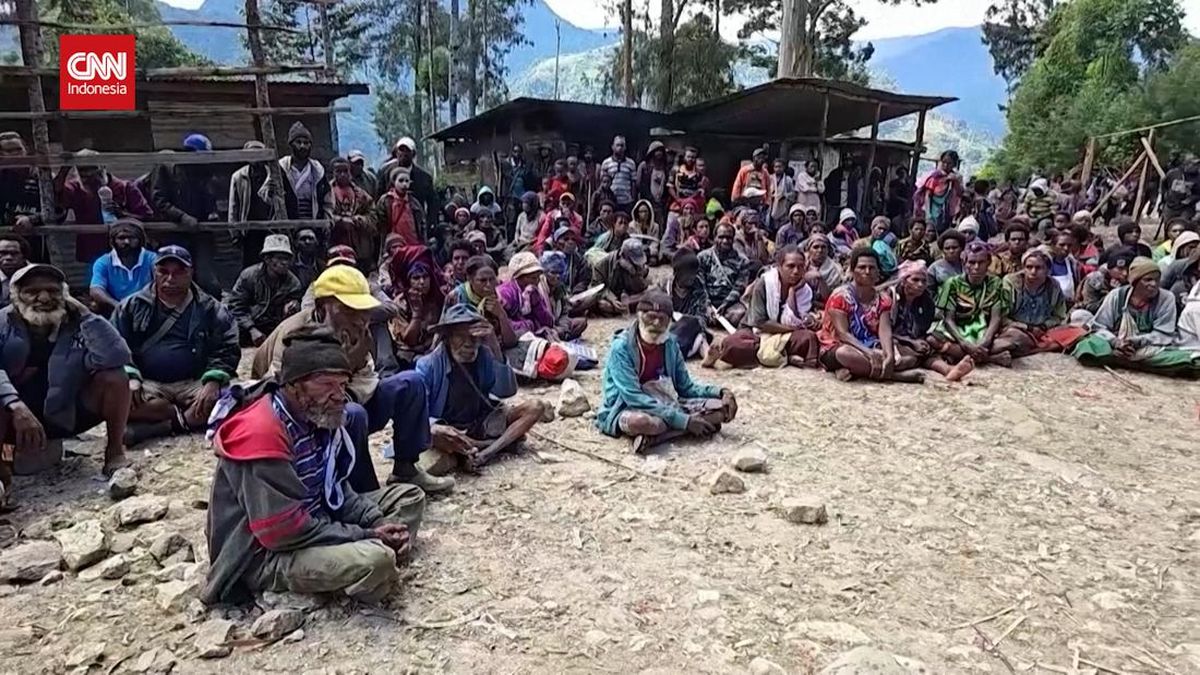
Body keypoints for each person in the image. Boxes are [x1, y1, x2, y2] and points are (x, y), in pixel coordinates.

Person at [202, 328, 427, 606]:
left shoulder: (318, 417)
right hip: (268, 553)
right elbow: (282, 532)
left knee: (410, 497)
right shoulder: (263, 432)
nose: (339, 396)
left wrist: (376, 521)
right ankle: (366, 567)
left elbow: (336, 488)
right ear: (294, 385)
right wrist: (364, 535)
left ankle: (372, 557)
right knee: (376, 560)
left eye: (342, 385)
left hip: (319, 518)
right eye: (326, 384)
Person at [252, 266, 455, 493]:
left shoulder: (357, 330)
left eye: (362, 310)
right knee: (352, 414)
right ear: (322, 307)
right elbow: (282, 393)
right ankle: (364, 490)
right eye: (347, 310)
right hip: (306, 419)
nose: (359, 318)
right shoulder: (295, 334)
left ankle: (406, 468)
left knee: (410, 383)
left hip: (345, 398)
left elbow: (367, 378)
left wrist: (348, 383)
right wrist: (343, 384)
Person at [0, 264, 131, 506]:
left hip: (65, 413)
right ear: (16, 295)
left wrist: (87, 315)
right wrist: (15, 405)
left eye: (52, 290)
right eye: (32, 292)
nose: (44, 298)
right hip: (11, 427)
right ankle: (3, 470)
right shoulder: (3, 322)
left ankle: (114, 452)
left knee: (115, 377)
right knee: (2, 421)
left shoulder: (77, 322)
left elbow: (117, 357)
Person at [113, 246, 239, 447]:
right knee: (115, 399)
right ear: (154, 272)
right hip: (148, 383)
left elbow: (227, 346)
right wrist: (131, 377)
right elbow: (115, 345)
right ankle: (179, 415)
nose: (170, 279)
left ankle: (161, 426)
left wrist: (213, 381)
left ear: (191, 273)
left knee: (233, 399)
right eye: (164, 272)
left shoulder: (211, 308)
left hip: (195, 382)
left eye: (179, 272)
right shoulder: (131, 306)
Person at [595, 290, 738, 455]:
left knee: (721, 409)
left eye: (662, 319)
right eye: (650, 317)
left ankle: (655, 438)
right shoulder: (622, 348)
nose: (655, 323)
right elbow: (633, 397)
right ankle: (669, 431)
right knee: (644, 423)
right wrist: (684, 421)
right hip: (628, 407)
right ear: (639, 316)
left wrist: (721, 392)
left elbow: (686, 387)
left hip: (665, 403)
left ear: (670, 322)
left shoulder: (670, 345)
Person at [415, 304, 546, 473]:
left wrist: (494, 346)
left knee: (535, 407)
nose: (469, 343)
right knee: (439, 435)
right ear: (447, 337)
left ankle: (486, 453)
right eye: (460, 336)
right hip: (452, 428)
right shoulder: (428, 365)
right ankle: (501, 443)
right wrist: (435, 427)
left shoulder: (483, 354)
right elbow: (418, 415)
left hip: (482, 421)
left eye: (474, 337)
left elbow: (506, 391)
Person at [811, 248, 924, 383]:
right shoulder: (840, 296)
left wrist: (888, 355)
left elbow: (885, 331)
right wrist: (869, 353)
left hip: (870, 344)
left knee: (911, 357)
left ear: (878, 272)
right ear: (853, 271)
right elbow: (843, 334)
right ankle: (894, 376)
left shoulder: (883, 299)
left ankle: (858, 370)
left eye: (872, 268)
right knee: (845, 354)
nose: (867, 272)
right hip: (838, 346)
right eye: (862, 267)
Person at [1073, 257, 1200, 375]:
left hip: (1149, 347)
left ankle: (1122, 360)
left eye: (1157, 280)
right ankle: (1125, 359)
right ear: (1135, 281)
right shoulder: (1117, 295)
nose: (1154, 284)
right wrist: (1116, 342)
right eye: (1148, 280)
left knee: (1186, 359)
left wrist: (1138, 341)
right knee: (1088, 344)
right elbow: (1099, 327)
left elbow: (1164, 335)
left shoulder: (1166, 298)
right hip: (1117, 343)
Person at [717, 245, 820, 369]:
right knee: (732, 344)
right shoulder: (765, 283)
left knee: (809, 337)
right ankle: (786, 355)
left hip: (786, 334)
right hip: (756, 332)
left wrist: (792, 291)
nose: (796, 271)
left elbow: (798, 319)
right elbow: (760, 322)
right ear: (779, 266)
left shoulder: (804, 290)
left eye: (800, 267)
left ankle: (780, 355)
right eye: (791, 266)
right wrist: (792, 329)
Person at [149, 134, 222, 295]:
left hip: (201, 233)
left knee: (206, 280)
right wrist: (181, 217)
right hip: (173, 233)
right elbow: (159, 199)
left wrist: (212, 213)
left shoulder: (205, 171)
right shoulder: (168, 168)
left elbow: (209, 197)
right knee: (176, 276)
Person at [56, 148, 154, 263]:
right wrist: (64, 169)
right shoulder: (76, 188)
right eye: (84, 174)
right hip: (91, 253)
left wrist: (122, 215)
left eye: (93, 171)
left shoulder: (125, 188)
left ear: (102, 167)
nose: (89, 177)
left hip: (125, 253)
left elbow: (147, 216)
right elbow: (56, 196)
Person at [928, 242, 1011, 368]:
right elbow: (949, 319)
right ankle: (990, 358)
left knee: (1011, 340)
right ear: (965, 264)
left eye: (981, 262)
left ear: (988, 263)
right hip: (958, 329)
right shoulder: (953, 284)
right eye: (972, 262)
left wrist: (986, 341)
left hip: (983, 329)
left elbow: (996, 317)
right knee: (931, 340)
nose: (976, 267)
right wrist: (964, 343)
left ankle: (961, 355)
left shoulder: (996, 283)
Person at [889, 260, 972, 381]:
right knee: (912, 355)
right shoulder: (891, 298)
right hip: (890, 339)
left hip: (911, 338)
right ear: (903, 281)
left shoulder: (925, 301)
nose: (920, 284)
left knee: (929, 346)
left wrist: (919, 341)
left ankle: (948, 370)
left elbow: (923, 327)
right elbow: (883, 330)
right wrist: (911, 342)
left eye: (923, 281)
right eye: (915, 280)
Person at [995, 249, 1082, 357]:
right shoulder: (1011, 282)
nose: (1033, 271)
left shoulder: (1054, 286)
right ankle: (1038, 348)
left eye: (1038, 268)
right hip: (1018, 329)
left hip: (1043, 332)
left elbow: (1059, 316)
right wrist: (1028, 328)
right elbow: (1002, 317)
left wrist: (1043, 327)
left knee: (1078, 331)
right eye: (1029, 267)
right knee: (1016, 337)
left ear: (1048, 270)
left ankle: (1031, 350)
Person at [227, 235, 304, 345]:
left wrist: (292, 307)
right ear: (267, 259)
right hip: (247, 328)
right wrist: (252, 329)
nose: (284, 263)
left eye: (287, 259)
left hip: (276, 329)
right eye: (280, 258)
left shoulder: (293, 283)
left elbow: (296, 309)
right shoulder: (249, 277)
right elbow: (235, 307)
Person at [388, 249, 445, 368]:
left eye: (425, 277)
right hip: (409, 356)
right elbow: (410, 341)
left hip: (436, 351)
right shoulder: (400, 303)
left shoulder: (438, 298)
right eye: (416, 278)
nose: (422, 282)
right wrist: (417, 313)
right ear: (408, 281)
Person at [446, 255, 519, 348]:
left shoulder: (496, 297)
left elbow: (511, 342)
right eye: (482, 280)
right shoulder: (457, 297)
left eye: (492, 279)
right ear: (470, 279)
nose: (488, 285)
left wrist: (501, 315)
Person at [88, 218, 156, 315]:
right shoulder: (104, 262)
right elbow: (96, 290)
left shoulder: (152, 258)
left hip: (147, 308)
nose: (127, 242)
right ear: (113, 242)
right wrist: (119, 306)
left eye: (132, 238)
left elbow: (161, 283)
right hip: (115, 309)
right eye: (121, 238)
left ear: (140, 240)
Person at [378, 137, 440, 230]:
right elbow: (378, 196)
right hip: (392, 226)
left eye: (407, 150)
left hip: (416, 226)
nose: (403, 153)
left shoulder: (424, 177)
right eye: (401, 150)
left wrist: (430, 222)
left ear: (413, 154)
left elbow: (433, 202)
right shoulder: (386, 173)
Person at [329, 157, 379, 270]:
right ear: (333, 173)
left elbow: (373, 215)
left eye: (345, 171)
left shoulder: (361, 195)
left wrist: (358, 220)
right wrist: (339, 221)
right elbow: (323, 216)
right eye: (338, 171)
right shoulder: (326, 194)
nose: (342, 175)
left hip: (360, 249)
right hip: (336, 246)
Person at [697, 223, 751, 326]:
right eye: (721, 237)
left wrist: (725, 304)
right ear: (714, 238)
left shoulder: (742, 261)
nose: (725, 241)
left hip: (729, 304)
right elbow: (700, 284)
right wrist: (707, 305)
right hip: (706, 300)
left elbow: (739, 287)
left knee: (741, 313)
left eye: (729, 238)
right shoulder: (703, 257)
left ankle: (713, 320)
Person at [665, 249, 714, 358]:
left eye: (695, 273)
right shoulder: (665, 287)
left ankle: (708, 356)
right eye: (688, 274)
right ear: (677, 273)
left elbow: (701, 316)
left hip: (690, 328)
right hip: (669, 327)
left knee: (700, 335)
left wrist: (689, 322)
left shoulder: (698, 286)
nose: (692, 277)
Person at [278, 122, 332, 221]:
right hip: (287, 222)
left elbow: (327, 200)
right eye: (298, 142)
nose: (302, 146)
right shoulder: (280, 168)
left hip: (314, 221)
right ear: (291, 145)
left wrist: (327, 219)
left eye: (306, 143)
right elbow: (266, 195)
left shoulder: (318, 170)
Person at [228, 140, 285, 224]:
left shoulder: (273, 174)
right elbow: (233, 207)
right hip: (248, 227)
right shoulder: (238, 176)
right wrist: (235, 233)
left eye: (259, 154)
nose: (256, 158)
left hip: (270, 226)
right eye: (252, 155)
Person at [1076, 246, 1136, 323]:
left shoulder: (1132, 279)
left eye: (1128, 269)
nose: (1125, 273)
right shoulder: (1095, 279)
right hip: (1095, 317)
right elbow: (1090, 307)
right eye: (1120, 269)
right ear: (1110, 268)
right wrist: (1112, 294)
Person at [593, 239, 651, 316]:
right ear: (623, 256)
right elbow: (598, 286)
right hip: (611, 295)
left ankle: (627, 305)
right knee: (603, 305)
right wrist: (612, 299)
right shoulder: (602, 264)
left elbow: (642, 287)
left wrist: (635, 274)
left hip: (630, 296)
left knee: (651, 294)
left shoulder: (639, 265)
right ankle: (621, 308)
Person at [538, 251, 588, 341]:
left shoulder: (560, 287)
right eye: (553, 272)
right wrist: (554, 328)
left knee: (582, 323)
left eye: (560, 273)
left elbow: (564, 313)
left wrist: (563, 327)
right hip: (544, 327)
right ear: (545, 272)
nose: (557, 276)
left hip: (558, 324)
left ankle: (563, 336)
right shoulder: (539, 289)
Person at [913, 150, 964, 233]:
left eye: (949, 163)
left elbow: (960, 193)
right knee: (931, 230)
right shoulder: (935, 177)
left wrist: (955, 182)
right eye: (944, 162)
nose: (946, 165)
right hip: (934, 208)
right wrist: (928, 214)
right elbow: (928, 195)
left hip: (948, 210)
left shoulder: (957, 177)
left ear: (954, 164)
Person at [375, 168, 426, 248]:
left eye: (407, 181)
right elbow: (380, 225)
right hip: (393, 244)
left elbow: (422, 225)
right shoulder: (386, 201)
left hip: (413, 244)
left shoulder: (414, 202)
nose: (404, 184)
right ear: (394, 182)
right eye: (401, 181)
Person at [601, 136, 638, 213]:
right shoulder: (606, 163)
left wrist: (633, 200)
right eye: (617, 145)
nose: (620, 148)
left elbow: (634, 183)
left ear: (625, 148)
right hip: (610, 201)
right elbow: (602, 182)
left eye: (622, 145)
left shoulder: (631, 163)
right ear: (612, 147)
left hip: (627, 201)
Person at [1161, 156, 1199, 222]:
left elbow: (1198, 194)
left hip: (1186, 208)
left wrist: (1191, 199)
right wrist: (1165, 197)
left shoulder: (1198, 177)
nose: (1197, 167)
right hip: (1170, 206)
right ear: (1187, 165)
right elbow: (1164, 184)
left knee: (1182, 224)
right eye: (1195, 165)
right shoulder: (1173, 173)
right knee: (1169, 227)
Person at [670, 146, 706, 212]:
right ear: (684, 157)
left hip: (693, 206)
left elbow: (701, 190)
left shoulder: (699, 173)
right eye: (688, 157)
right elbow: (670, 187)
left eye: (693, 157)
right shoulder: (676, 170)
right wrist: (677, 199)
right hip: (678, 203)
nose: (690, 159)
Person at [0, 235, 29, 308]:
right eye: (3, 253)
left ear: (24, 256)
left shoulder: (39, 275)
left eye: (14, 253)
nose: (8, 258)